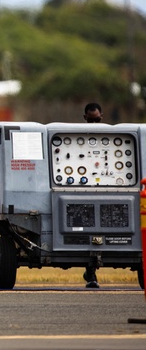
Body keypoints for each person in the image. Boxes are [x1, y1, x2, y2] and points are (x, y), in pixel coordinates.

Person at [82, 102, 104, 287]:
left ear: (101, 118)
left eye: (96, 120)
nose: (94, 124)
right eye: (90, 120)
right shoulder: (79, 136)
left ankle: (91, 271)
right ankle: (91, 273)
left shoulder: (108, 135)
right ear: (84, 119)